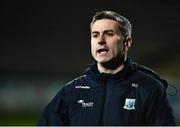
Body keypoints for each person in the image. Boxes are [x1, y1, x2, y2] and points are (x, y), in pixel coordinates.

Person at [38, 10, 175, 125]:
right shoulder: (72, 90)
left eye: (109, 34)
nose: (100, 40)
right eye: (95, 35)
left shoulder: (150, 88)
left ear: (127, 42)